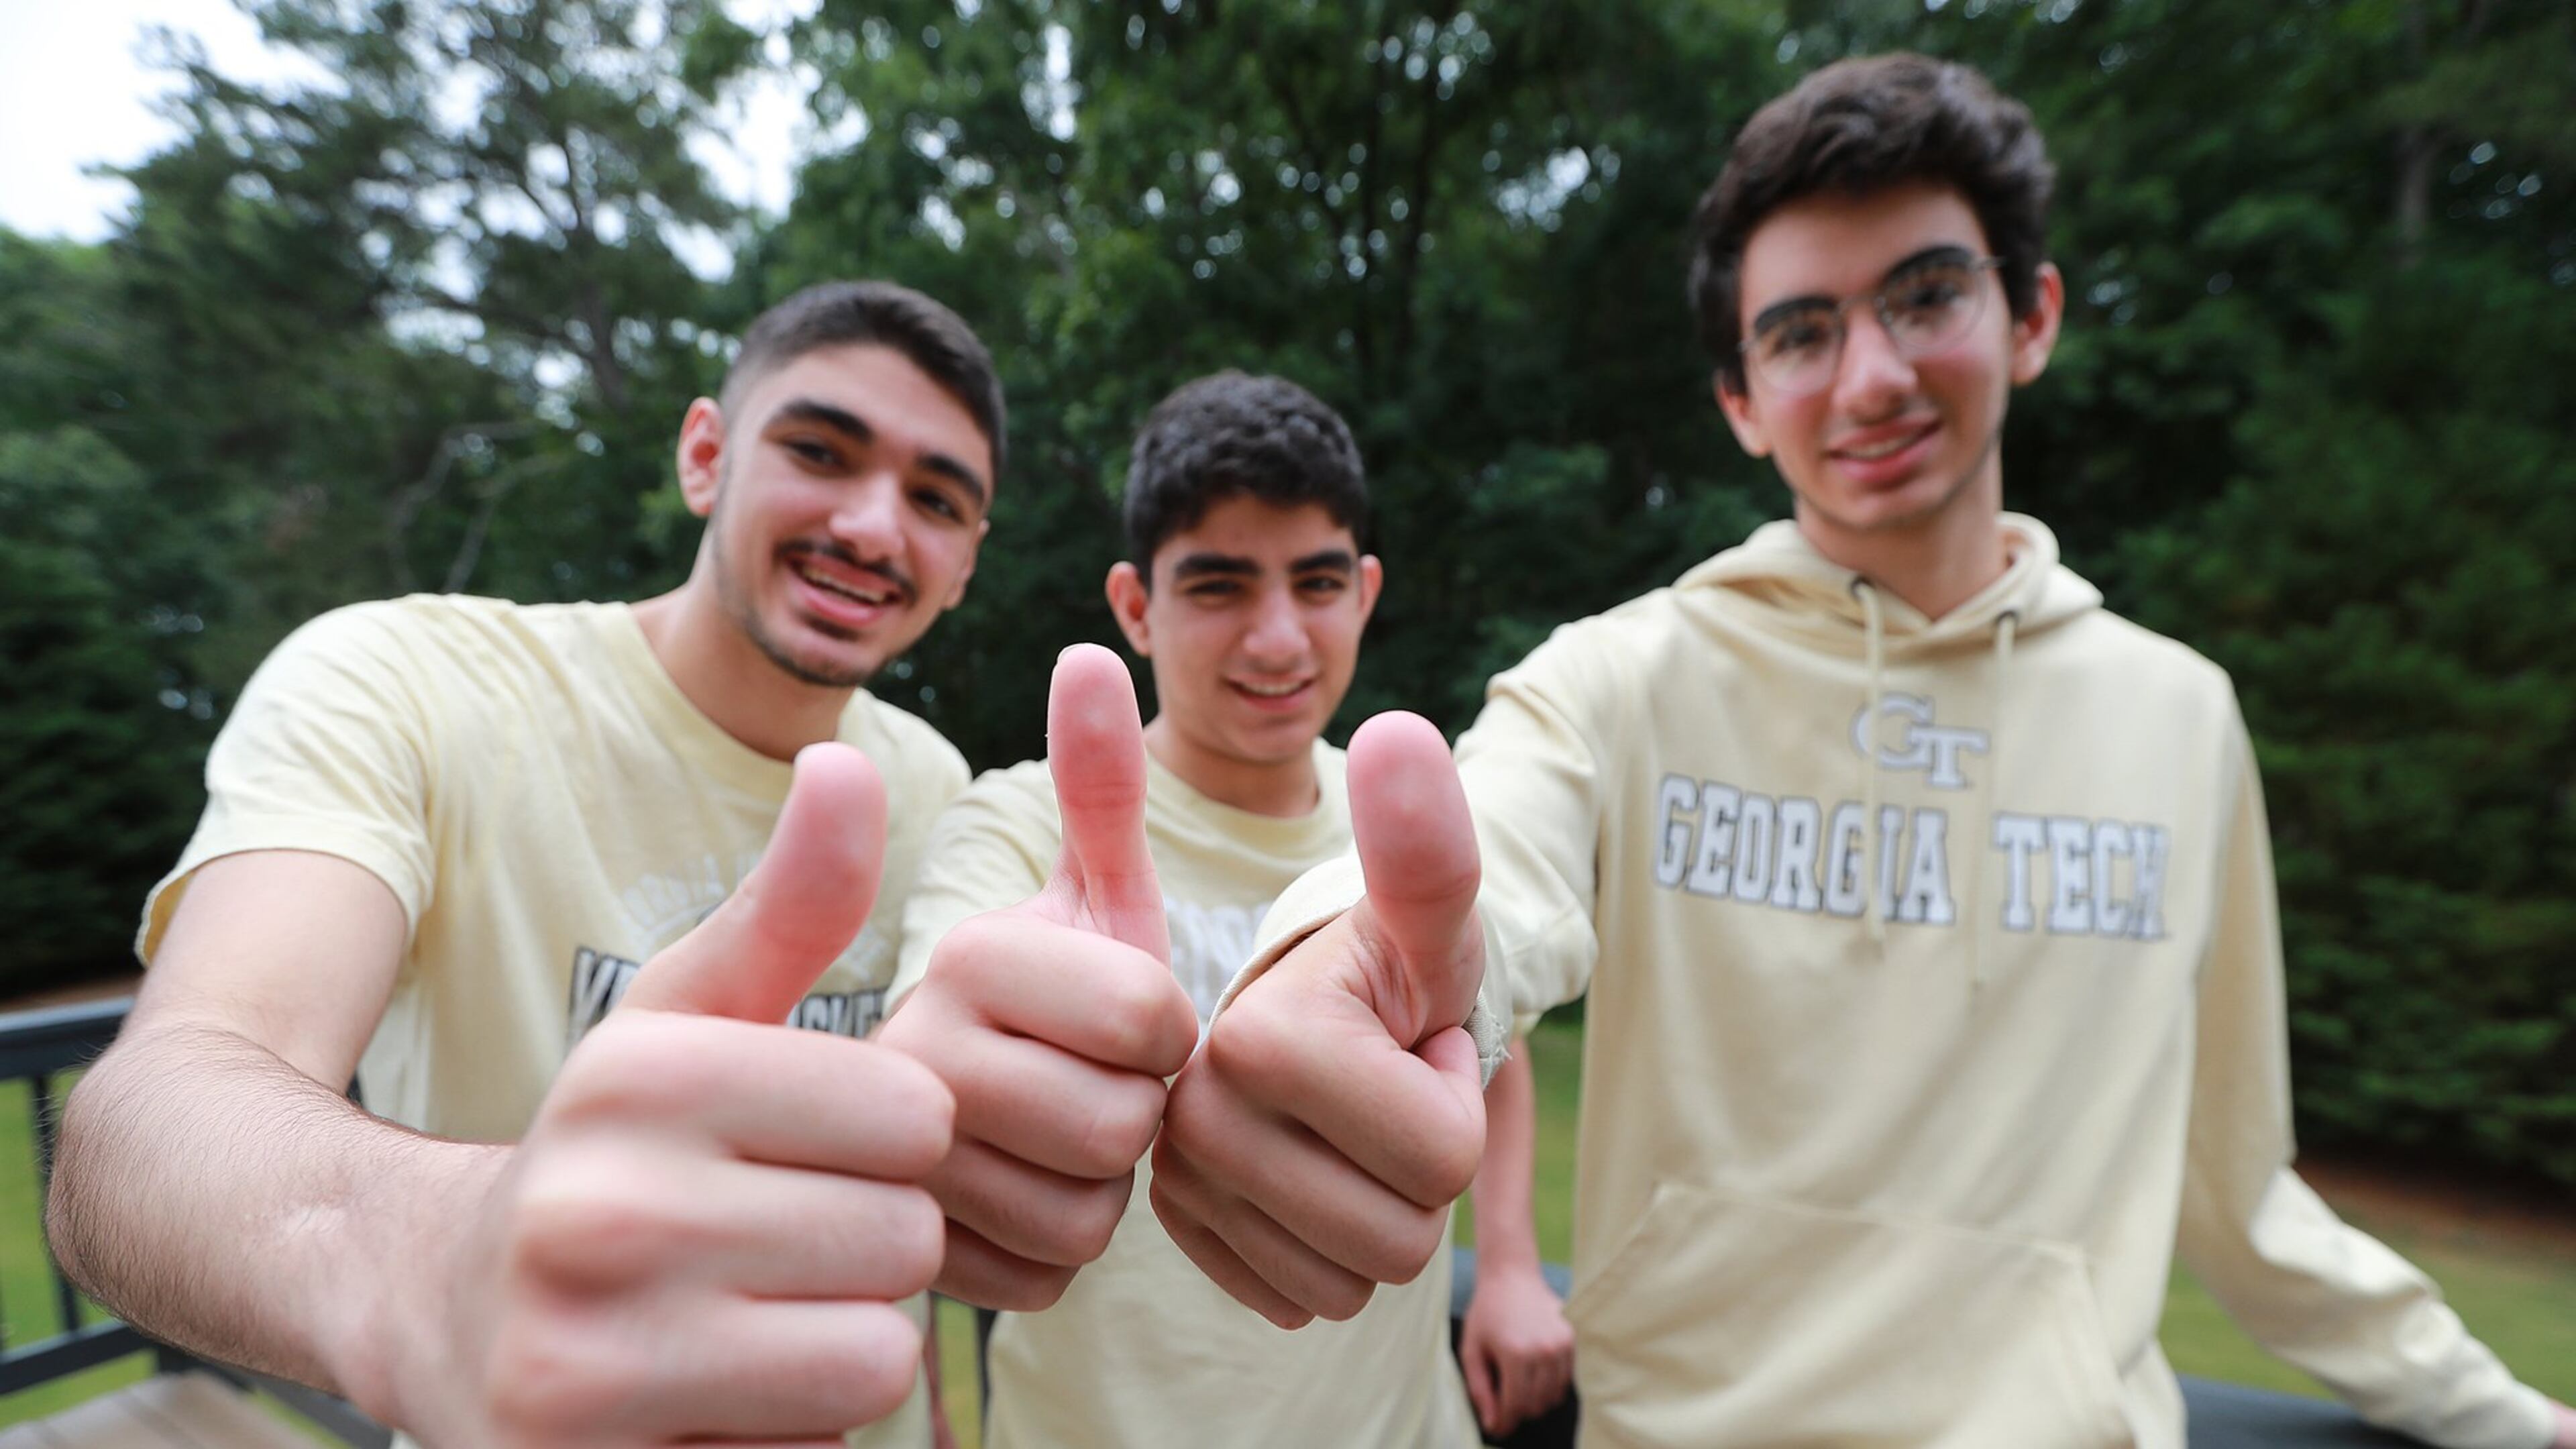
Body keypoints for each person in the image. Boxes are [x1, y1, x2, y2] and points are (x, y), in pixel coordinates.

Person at [1148, 55, 2576, 1449]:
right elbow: (1486, 861)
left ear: (2032, 317)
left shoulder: (2183, 718)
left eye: (1927, 295)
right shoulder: (1625, 674)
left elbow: (2245, 1203)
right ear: (1740, 399)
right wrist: (1336, 968)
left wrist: (2511, 1419)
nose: (1872, 375)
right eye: (1802, 331)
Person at [48, 279, 1194, 1448]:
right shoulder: (404, 685)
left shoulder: (940, 787)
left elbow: (906, 1221)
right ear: (705, 456)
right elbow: (155, 1109)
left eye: (937, 500)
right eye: (819, 448)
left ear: (966, 563)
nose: (872, 525)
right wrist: (445, 1260)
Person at [891, 371, 1570, 1447]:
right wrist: (946, 1063)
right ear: (1134, 608)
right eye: (1218, 586)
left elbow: (1503, 1049)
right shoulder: (1029, 819)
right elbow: (936, 1019)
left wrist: (1516, 1269)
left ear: (1368, 590)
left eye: (1317, 581)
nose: (1278, 639)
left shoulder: (1405, 828)